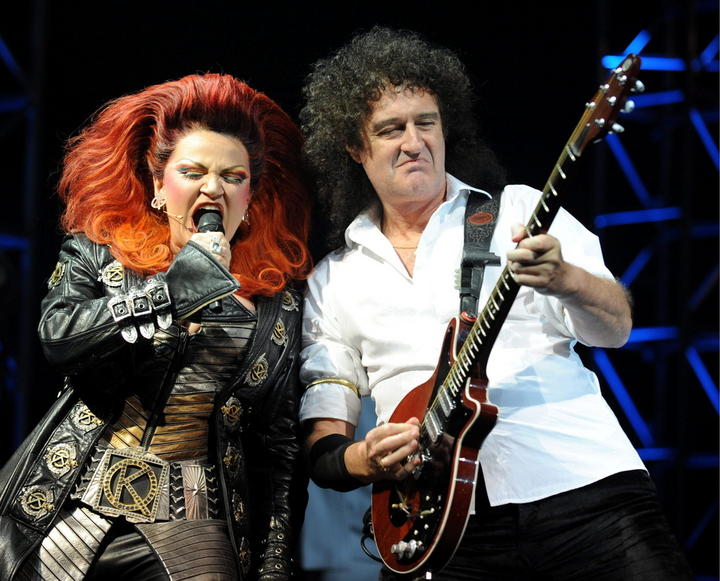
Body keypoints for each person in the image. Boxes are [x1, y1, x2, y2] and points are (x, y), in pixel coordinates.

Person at [298, 27, 692, 580]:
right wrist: (365, 458)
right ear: (354, 147)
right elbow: (324, 446)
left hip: (584, 487)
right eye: (390, 129)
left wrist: (566, 280)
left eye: (426, 122)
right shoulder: (333, 279)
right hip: (439, 526)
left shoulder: (517, 211)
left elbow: (617, 327)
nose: (414, 142)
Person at [0, 73, 311, 580]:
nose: (213, 187)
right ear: (158, 185)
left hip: (194, 525)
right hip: (71, 510)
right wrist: (171, 290)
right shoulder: (98, 252)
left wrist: (275, 563)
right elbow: (57, 337)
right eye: (192, 171)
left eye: (233, 177)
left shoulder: (277, 304)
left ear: (250, 197)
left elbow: (279, 449)